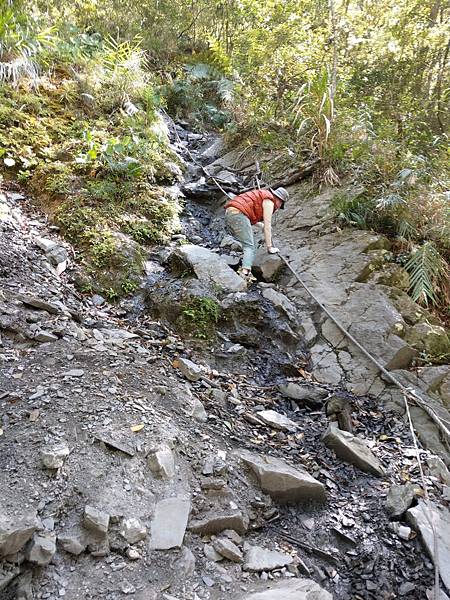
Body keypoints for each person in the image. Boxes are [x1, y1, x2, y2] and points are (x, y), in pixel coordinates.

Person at [224, 187, 289, 281]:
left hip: (230, 212)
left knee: (247, 244)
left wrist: (261, 226)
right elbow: (268, 225)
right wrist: (270, 247)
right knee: (249, 246)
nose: (279, 207)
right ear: (279, 199)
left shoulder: (263, 195)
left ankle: (243, 269)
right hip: (238, 214)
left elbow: (248, 213)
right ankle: (245, 273)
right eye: (281, 204)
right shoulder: (269, 201)